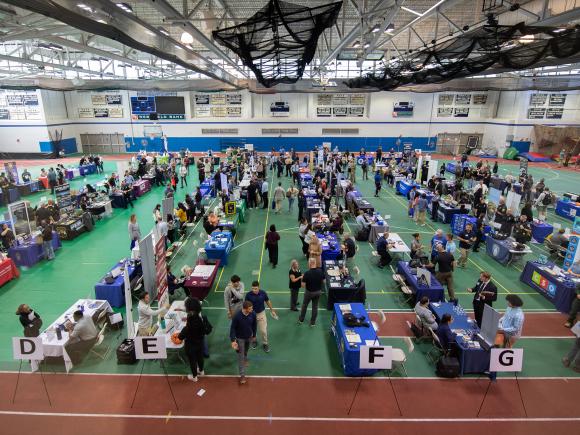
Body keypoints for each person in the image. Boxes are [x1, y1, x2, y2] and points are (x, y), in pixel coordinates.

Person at [178, 297, 206, 382]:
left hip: (191, 345)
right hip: (200, 342)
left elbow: (182, 335)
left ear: (190, 309)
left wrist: (180, 335)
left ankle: (194, 377)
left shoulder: (190, 323)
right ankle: (201, 371)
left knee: (192, 360)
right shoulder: (199, 317)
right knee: (200, 357)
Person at [244, 282, 276, 352]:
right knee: (252, 331)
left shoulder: (263, 293)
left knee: (263, 330)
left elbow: (267, 301)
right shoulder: (248, 295)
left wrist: (272, 310)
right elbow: (246, 306)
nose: (254, 290)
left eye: (256, 289)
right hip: (251, 314)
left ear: (259, 287)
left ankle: (265, 343)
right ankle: (254, 340)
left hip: (261, 313)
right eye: (253, 289)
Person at [230, 301, 257, 385]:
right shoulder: (237, 316)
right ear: (245, 309)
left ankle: (245, 357)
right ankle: (242, 375)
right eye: (250, 308)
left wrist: (254, 335)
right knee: (241, 356)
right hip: (240, 338)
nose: (252, 309)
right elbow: (232, 328)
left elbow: (254, 325)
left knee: (245, 351)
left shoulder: (252, 314)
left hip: (248, 337)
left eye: (252, 308)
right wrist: (233, 340)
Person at [298, 258, 326, 326]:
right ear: (315, 263)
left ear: (310, 264)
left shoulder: (307, 273)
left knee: (304, 306)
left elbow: (303, 285)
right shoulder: (320, 271)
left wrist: (302, 278)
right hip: (318, 292)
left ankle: (301, 319)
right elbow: (324, 282)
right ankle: (312, 322)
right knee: (315, 307)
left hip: (309, 293)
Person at [564, 262, 580, 328]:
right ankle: (570, 321)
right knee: (573, 310)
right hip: (579, 299)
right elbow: (577, 287)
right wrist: (578, 293)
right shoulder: (575, 263)